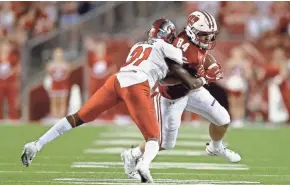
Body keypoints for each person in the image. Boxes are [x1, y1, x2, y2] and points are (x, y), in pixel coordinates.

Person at [21, 18, 206, 183]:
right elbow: (186, 65)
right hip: (137, 84)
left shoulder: (138, 46)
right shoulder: (168, 47)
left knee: (78, 117)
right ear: (169, 36)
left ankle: (36, 144)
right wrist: (202, 74)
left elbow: (160, 73)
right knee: (154, 139)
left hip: (117, 80)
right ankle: (143, 165)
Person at [121, 11, 241, 180]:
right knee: (164, 143)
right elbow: (164, 80)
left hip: (192, 91)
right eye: (205, 36)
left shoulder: (192, 38)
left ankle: (216, 147)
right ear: (193, 32)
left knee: (223, 119)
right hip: (171, 98)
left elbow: (202, 55)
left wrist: (211, 65)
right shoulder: (178, 50)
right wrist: (204, 77)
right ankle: (132, 154)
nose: (208, 40)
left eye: (210, 36)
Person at [46, 48, 71, 118]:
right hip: (54, 86)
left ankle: (61, 116)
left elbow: (68, 73)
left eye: (60, 55)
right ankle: (54, 116)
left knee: (63, 102)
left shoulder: (65, 64)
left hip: (63, 86)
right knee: (54, 102)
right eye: (57, 55)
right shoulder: (50, 64)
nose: (58, 56)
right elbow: (48, 74)